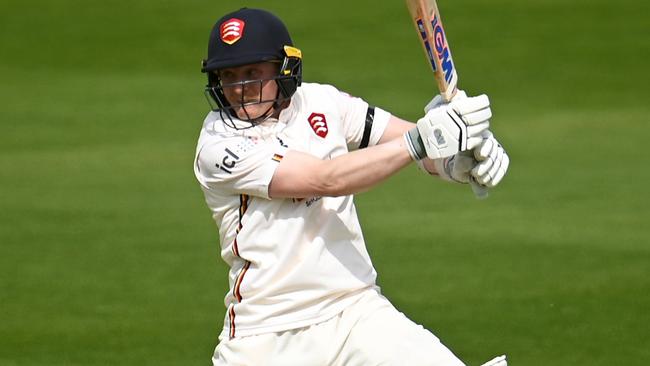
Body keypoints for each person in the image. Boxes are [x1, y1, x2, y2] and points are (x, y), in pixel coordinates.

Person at [194, 7, 510, 366]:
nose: (240, 89)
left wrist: (455, 161)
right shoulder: (218, 145)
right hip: (267, 335)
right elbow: (325, 179)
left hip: (355, 310)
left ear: (284, 67)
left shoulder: (322, 102)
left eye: (253, 72)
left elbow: (410, 144)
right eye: (229, 76)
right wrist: (426, 138)